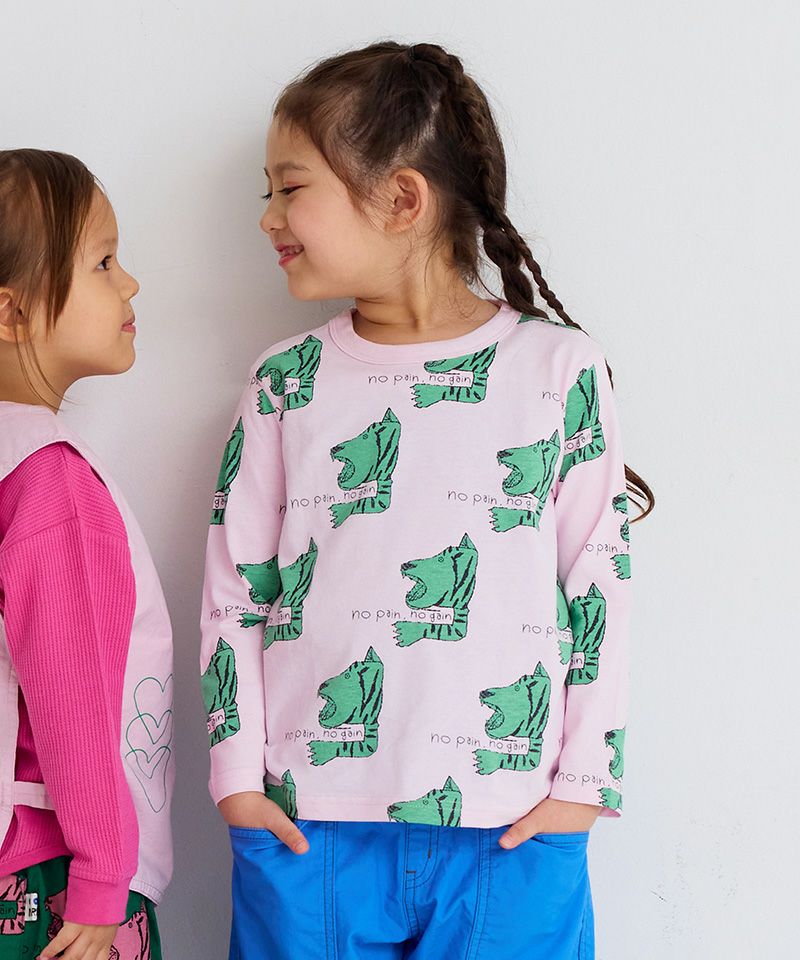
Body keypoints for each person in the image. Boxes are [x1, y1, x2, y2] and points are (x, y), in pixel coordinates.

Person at [200, 40, 653, 960]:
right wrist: (237, 780)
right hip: (306, 827)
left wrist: (583, 787)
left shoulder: (559, 368)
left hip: (513, 827)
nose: (268, 217)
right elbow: (235, 592)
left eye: (291, 188)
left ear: (402, 199)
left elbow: (597, 584)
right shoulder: (286, 381)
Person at [0, 150, 174, 960]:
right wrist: (105, 876)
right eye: (102, 263)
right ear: (11, 314)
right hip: (57, 881)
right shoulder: (51, 486)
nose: (128, 283)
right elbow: (74, 703)